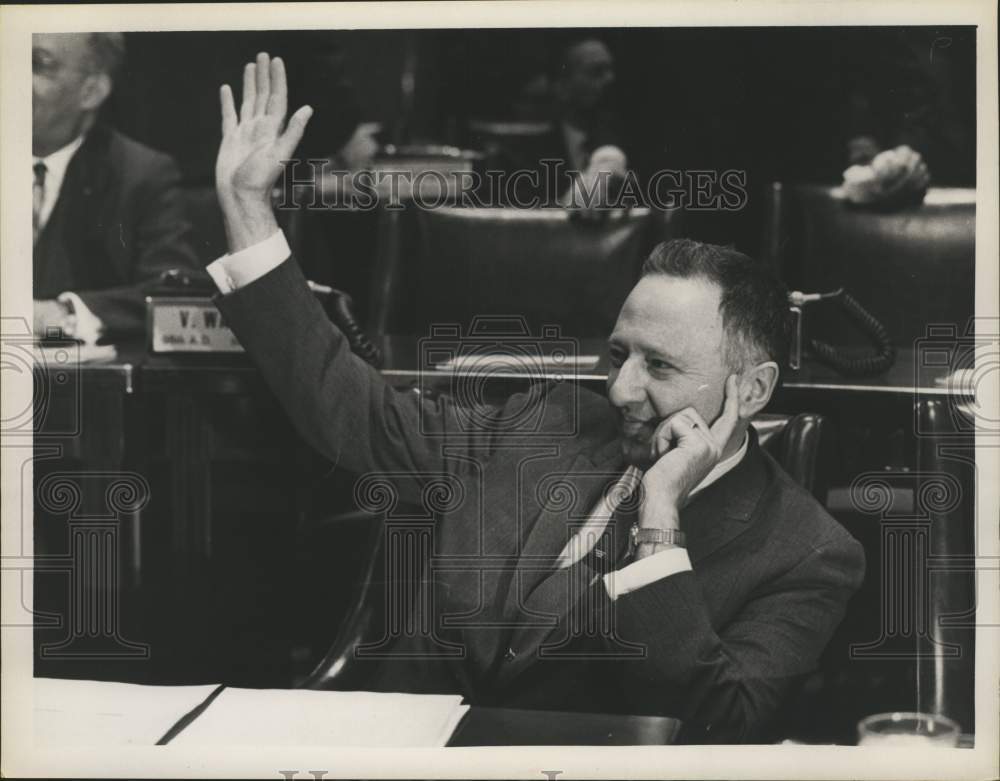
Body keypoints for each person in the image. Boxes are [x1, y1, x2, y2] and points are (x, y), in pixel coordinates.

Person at [207, 54, 865, 742]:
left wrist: (660, 520)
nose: (620, 388)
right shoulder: (540, 419)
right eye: (619, 354)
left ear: (752, 389)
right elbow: (353, 412)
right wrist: (249, 208)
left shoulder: (810, 553)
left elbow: (717, 723)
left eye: (660, 366)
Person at [32, 32, 197, 343]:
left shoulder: (141, 175)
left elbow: (173, 295)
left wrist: (64, 312)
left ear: (91, 92)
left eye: (37, 64)